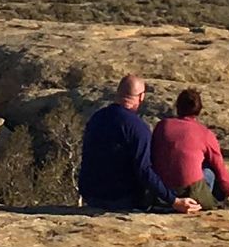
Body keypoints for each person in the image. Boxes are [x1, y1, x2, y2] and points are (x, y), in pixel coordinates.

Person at [78, 74, 202, 213]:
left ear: (118, 93)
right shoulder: (137, 127)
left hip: (91, 194)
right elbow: (144, 170)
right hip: (122, 199)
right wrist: (174, 200)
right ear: (141, 96)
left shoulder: (97, 118)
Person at [151, 88, 229, 212]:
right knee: (209, 171)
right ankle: (204, 203)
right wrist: (228, 190)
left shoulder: (162, 126)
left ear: (177, 106)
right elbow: (220, 170)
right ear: (199, 110)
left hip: (162, 190)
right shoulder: (204, 133)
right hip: (190, 190)